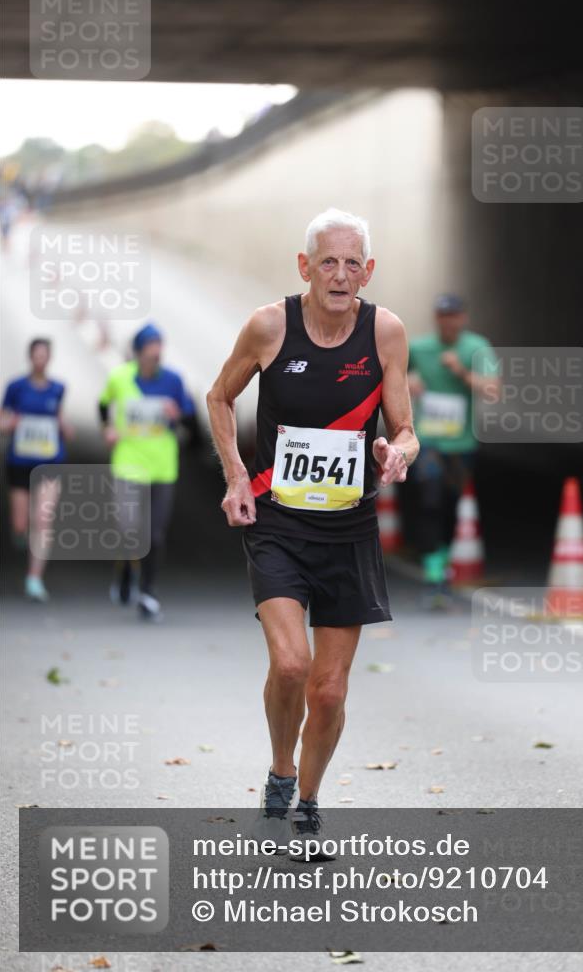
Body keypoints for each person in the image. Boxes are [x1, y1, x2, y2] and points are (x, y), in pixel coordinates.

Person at [207, 207, 419, 857]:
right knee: (291, 664)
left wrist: (398, 453)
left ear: (369, 270)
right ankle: (279, 772)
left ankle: (307, 803)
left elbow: (403, 428)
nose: (340, 274)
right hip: (277, 523)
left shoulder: (385, 332)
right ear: (304, 266)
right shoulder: (270, 326)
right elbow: (219, 397)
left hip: (348, 529)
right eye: (327, 261)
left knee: (328, 689)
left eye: (353, 263)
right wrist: (237, 476)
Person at [98, 323, 195, 622]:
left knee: (155, 535)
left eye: (159, 347)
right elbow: (103, 406)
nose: (156, 353)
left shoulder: (173, 381)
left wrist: (177, 416)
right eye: (150, 347)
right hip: (128, 462)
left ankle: (148, 592)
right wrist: (109, 428)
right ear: (138, 352)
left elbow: (193, 424)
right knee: (128, 529)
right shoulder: (119, 377)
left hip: (162, 468)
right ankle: (126, 570)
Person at [407, 294, 498, 608]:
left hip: (461, 444)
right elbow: (388, 374)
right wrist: (408, 382)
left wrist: (461, 371)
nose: (449, 322)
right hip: (428, 440)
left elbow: (493, 390)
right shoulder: (419, 348)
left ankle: (442, 561)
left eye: (454, 316)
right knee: (429, 499)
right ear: (436, 319)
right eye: (443, 316)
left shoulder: (476, 348)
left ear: (463, 318)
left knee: (450, 504)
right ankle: (434, 572)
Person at [0, 338, 72, 601]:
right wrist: (12, 423)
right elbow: (2, 420)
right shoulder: (15, 388)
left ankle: (34, 578)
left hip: (49, 462)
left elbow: (61, 420)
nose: (40, 359)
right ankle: (21, 535)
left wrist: (65, 428)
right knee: (21, 524)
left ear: (49, 358)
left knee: (43, 520)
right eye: (36, 355)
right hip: (20, 462)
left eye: (44, 355)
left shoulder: (58, 389)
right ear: (30, 357)